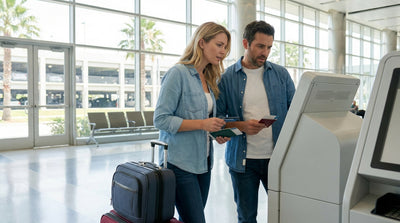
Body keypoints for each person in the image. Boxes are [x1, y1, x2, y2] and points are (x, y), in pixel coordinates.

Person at [216, 20, 296, 223]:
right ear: (246, 43)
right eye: (260, 46)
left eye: (269, 47)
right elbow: (217, 124)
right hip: (243, 164)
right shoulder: (227, 79)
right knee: (247, 217)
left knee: (286, 213)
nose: (265, 52)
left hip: (278, 160)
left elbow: (295, 113)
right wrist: (241, 127)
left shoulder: (281, 75)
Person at [153, 22, 231, 223]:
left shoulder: (209, 77)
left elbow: (204, 120)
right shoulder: (178, 73)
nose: (223, 52)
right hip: (179, 162)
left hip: (203, 162)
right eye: (219, 45)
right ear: (202, 42)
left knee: (189, 219)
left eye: (225, 48)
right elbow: (161, 119)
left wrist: (215, 133)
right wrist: (202, 124)